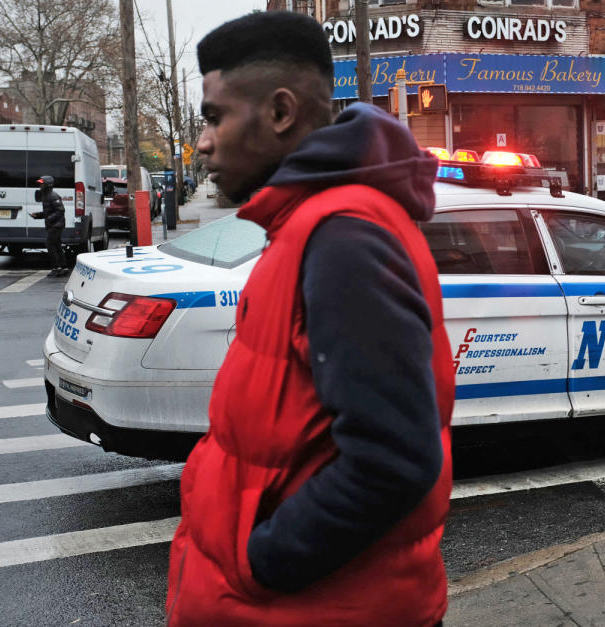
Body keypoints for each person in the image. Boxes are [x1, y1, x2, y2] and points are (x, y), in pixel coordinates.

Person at [165, 12, 454, 627]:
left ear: (279, 112)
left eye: (215, 117)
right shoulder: (307, 226)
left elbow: (392, 462)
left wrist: (261, 562)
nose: (204, 143)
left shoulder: (343, 237)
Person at [32, 176, 68, 277]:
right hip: (53, 224)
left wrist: (49, 218)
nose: (40, 185)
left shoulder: (53, 196)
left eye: (42, 184)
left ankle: (56, 268)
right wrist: (38, 215)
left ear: (48, 185)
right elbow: (48, 212)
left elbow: (60, 210)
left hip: (56, 225)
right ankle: (63, 267)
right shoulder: (45, 195)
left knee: (50, 244)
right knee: (56, 245)